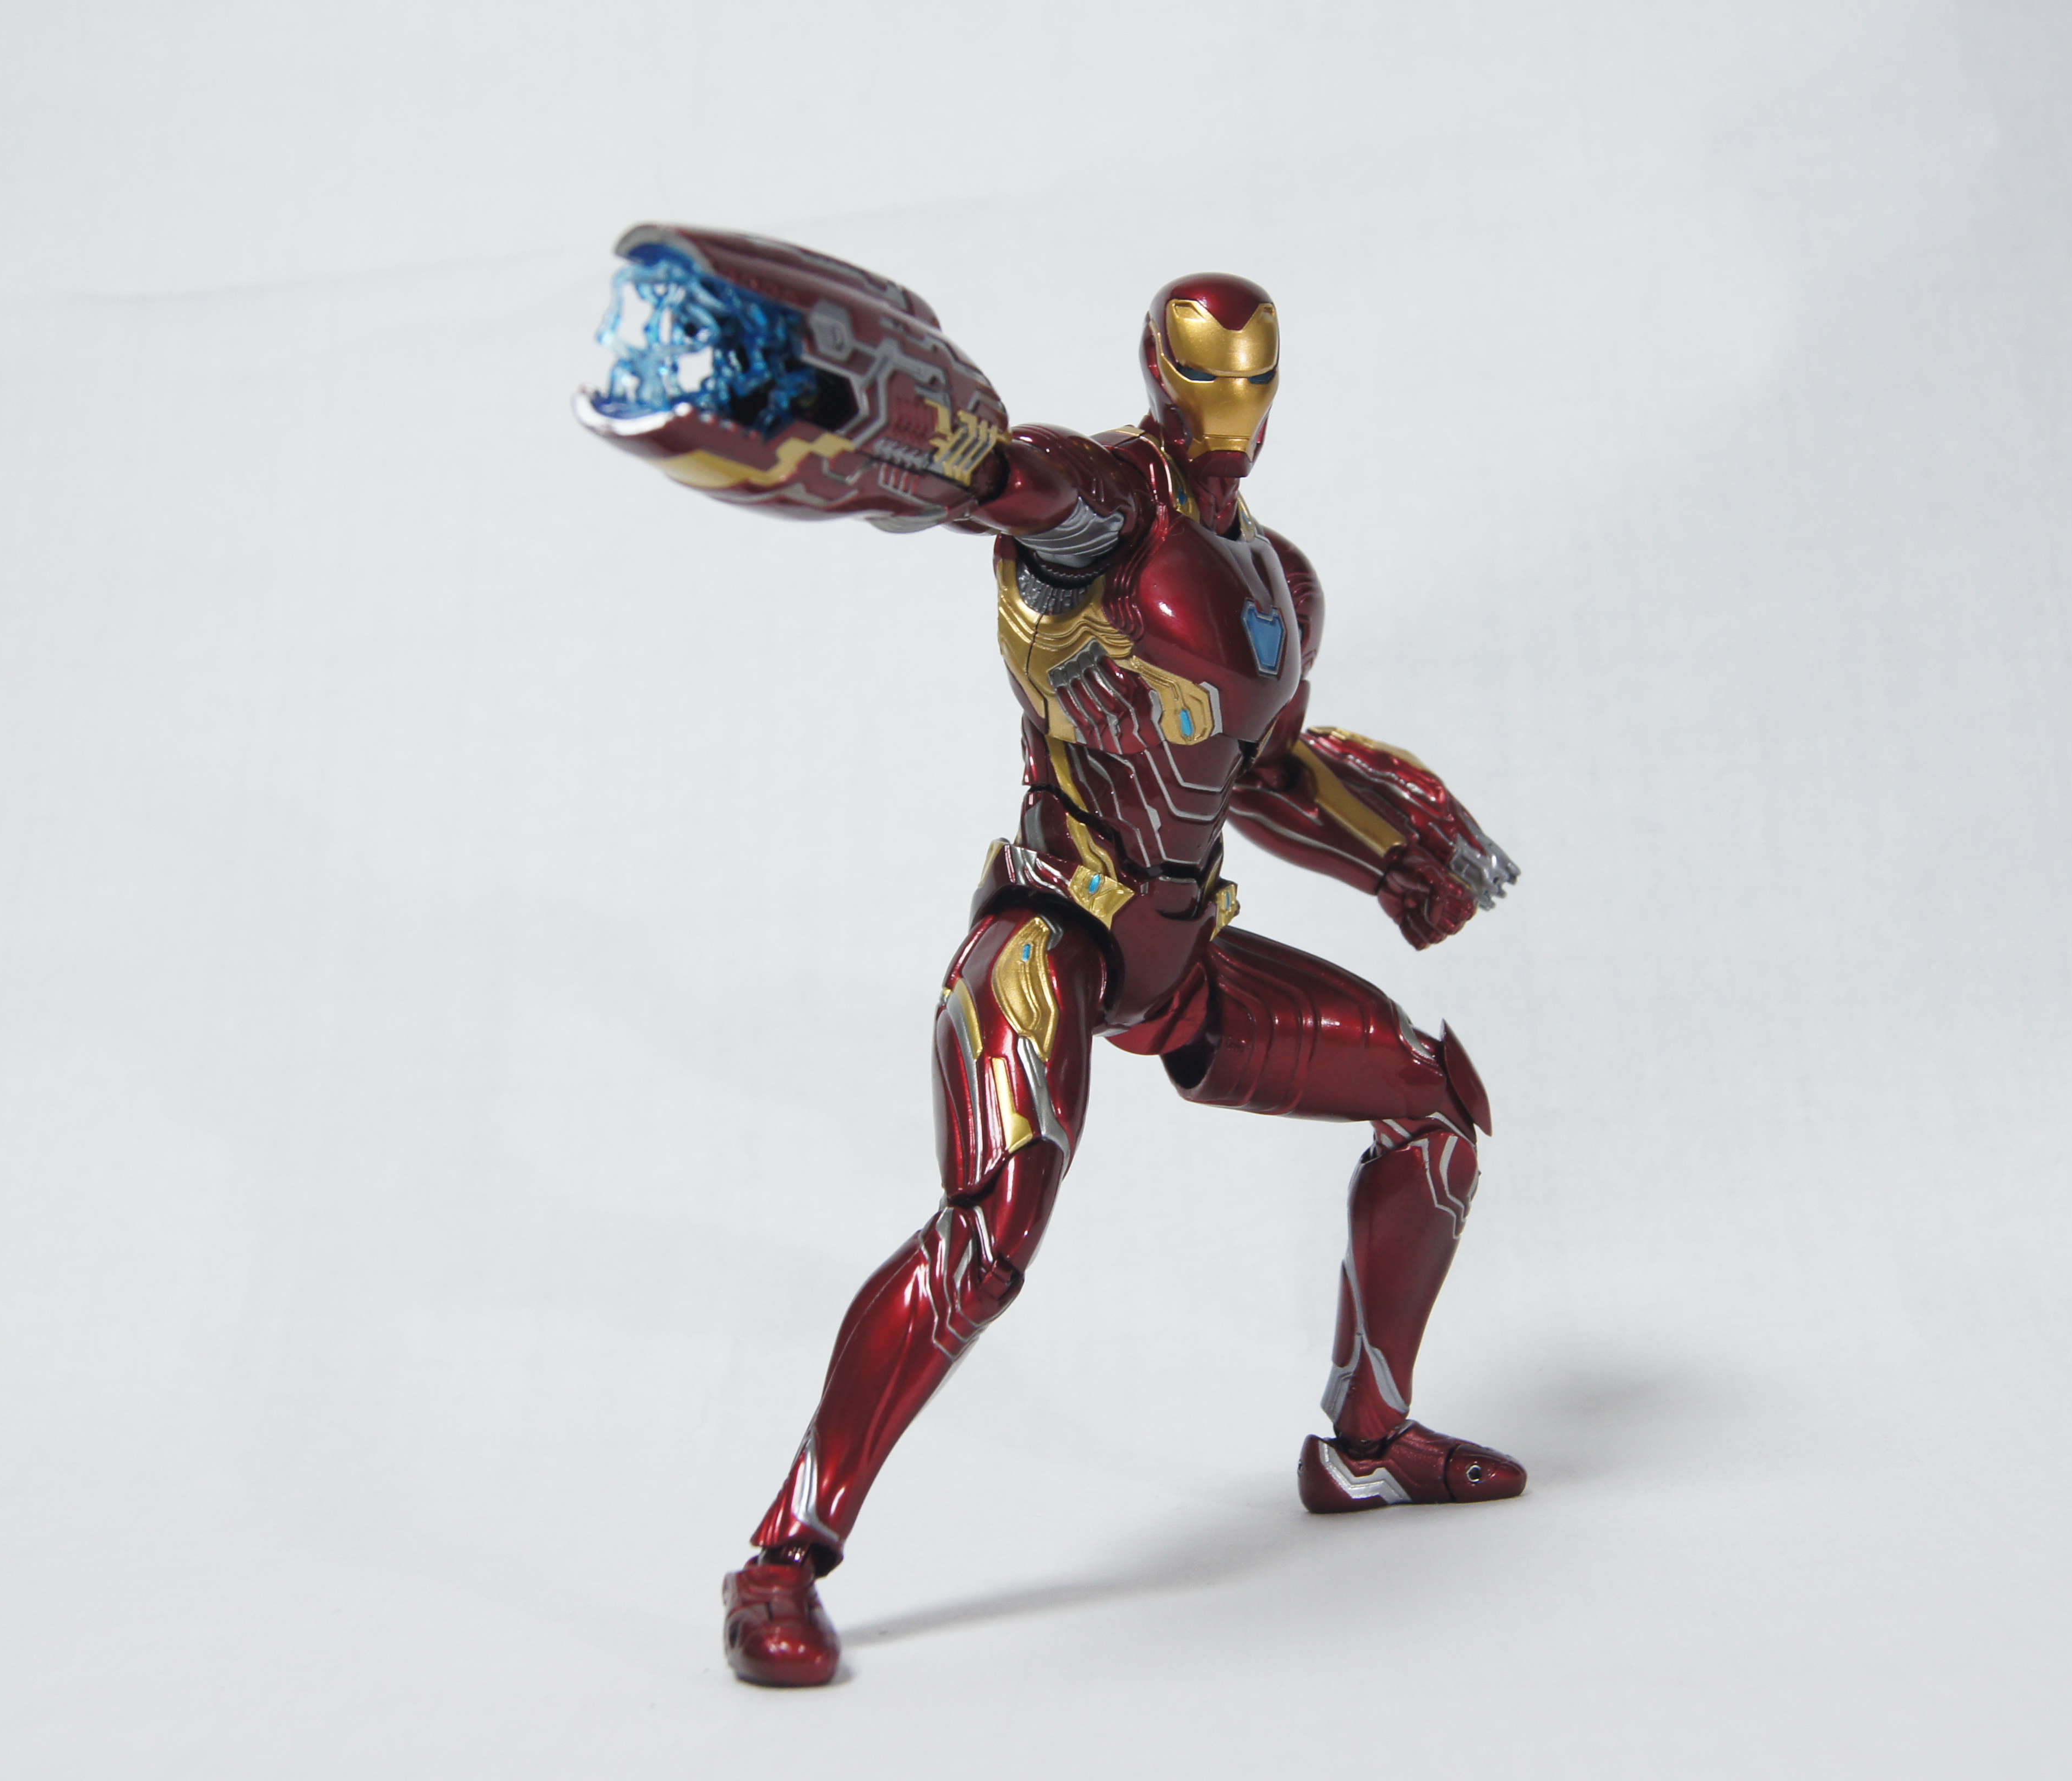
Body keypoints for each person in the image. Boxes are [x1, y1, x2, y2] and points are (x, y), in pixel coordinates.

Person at [579, 237, 1527, 1687]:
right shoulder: (1110, 503)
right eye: (1207, 378)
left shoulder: (1281, 582)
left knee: (1435, 1107)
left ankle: (1367, 1442)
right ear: (1161, 374)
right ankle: (782, 1557)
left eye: (1254, 381)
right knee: (994, 1229)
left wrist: (1401, 855)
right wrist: (852, 403)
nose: (1231, 407)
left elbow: (1264, 778)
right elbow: (996, 480)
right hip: (1053, 932)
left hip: (1184, 958)